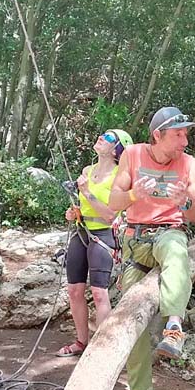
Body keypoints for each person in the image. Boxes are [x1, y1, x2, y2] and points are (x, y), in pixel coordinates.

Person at [108, 106, 195, 390]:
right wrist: (134, 194)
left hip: (169, 233)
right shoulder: (134, 155)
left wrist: (185, 202)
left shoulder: (188, 164)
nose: (185, 141)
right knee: (132, 319)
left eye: (186, 134)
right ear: (158, 135)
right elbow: (113, 202)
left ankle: (174, 327)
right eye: (178, 134)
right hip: (136, 241)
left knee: (177, 252)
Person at [56, 129, 134, 357]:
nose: (101, 138)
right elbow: (84, 207)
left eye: (109, 138)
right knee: (74, 290)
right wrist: (74, 213)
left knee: (99, 293)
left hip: (103, 235)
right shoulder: (87, 172)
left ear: (117, 150)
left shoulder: (120, 176)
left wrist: (88, 193)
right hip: (82, 232)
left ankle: (101, 352)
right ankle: (81, 342)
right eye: (102, 135)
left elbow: (111, 215)